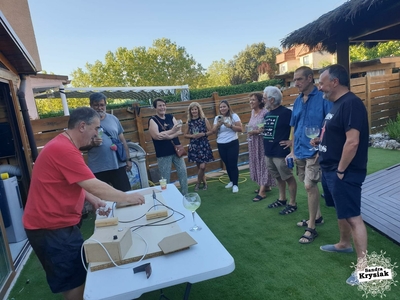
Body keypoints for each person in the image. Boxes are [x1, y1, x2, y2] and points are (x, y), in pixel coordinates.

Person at [23, 107, 145, 300]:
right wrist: (127, 197)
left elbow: (76, 182)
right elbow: (94, 184)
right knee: (75, 284)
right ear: (82, 126)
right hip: (50, 228)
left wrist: (93, 200)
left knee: (78, 274)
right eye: (96, 128)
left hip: (56, 225)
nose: (98, 133)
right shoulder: (64, 150)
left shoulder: (65, 146)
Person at [317, 64, 369, 286]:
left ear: (335, 82)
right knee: (341, 211)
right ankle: (343, 244)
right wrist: (320, 141)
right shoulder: (335, 105)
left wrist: (340, 170)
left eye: (322, 82)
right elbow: (336, 133)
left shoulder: (351, 104)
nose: (320, 87)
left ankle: (363, 269)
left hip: (345, 171)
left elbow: (353, 141)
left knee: (353, 216)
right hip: (330, 169)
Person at [287, 66, 333, 244]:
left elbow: (328, 124)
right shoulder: (298, 101)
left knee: (309, 186)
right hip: (298, 150)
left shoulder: (323, 98)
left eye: (299, 79)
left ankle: (312, 227)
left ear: (309, 79)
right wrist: (291, 149)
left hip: (314, 151)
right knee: (306, 183)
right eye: (294, 80)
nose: (296, 83)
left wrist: (321, 147)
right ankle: (318, 216)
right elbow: (294, 126)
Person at [80, 92, 132, 192]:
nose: (99, 108)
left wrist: (128, 159)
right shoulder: (85, 123)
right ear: (91, 106)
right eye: (96, 105)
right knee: (102, 200)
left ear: (105, 105)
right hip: (98, 167)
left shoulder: (113, 119)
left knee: (125, 194)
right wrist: (92, 144)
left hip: (118, 165)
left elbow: (122, 140)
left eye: (102, 105)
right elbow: (80, 145)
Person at [262, 86, 298, 215]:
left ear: (272, 100)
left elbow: (297, 127)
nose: (263, 100)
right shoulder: (267, 114)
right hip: (269, 152)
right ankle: (282, 199)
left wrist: (292, 142)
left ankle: (292, 203)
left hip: (280, 152)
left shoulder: (286, 113)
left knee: (288, 177)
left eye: (265, 98)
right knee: (277, 176)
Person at [148, 98, 188, 195]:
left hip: (176, 150)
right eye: (160, 105)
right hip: (163, 154)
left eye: (164, 105)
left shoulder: (170, 117)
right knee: (165, 177)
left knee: (183, 172)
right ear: (155, 108)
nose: (162, 107)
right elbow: (157, 136)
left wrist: (168, 135)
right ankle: (167, 196)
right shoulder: (152, 120)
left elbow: (179, 131)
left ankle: (185, 195)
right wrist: (172, 131)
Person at [246, 92, 275, 202]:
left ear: (259, 101)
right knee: (257, 163)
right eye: (250, 100)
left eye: (253, 100)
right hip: (253, 143)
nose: (251, 102)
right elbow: (251, 126)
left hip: (262, 142)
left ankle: (262, 192)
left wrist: (255, 131)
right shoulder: (252, 112)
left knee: (263, 164)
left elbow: (266, 128)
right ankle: (266, 186)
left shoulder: (265, 112)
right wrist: (250, 130)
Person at [212, 100, 243, 193]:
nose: (222, 108)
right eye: (221, 107)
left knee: (233, 164)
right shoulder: (217, 118)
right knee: (227, 163)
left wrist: (229, 125)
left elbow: (240, 128)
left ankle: (235, 185)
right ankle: (231, 180)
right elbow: (213, 131)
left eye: (224, 106)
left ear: (228, 107)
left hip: (232, 142)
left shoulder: (234, 116)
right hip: (221, 144)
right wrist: (218, 125)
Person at [184, 102, 214, 191]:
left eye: (195, 109)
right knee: (199, 167)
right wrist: (192, 136)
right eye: (192, 109)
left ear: (198, 110)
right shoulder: (189, 122)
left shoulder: (204, 119)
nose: (194, 111)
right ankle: (205, 183)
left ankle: (197, 183)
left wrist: (203, 134)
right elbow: (185, 135)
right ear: (190, 111)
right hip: (194, 146)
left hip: (203, 145)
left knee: (202, 167)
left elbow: (211, 131)